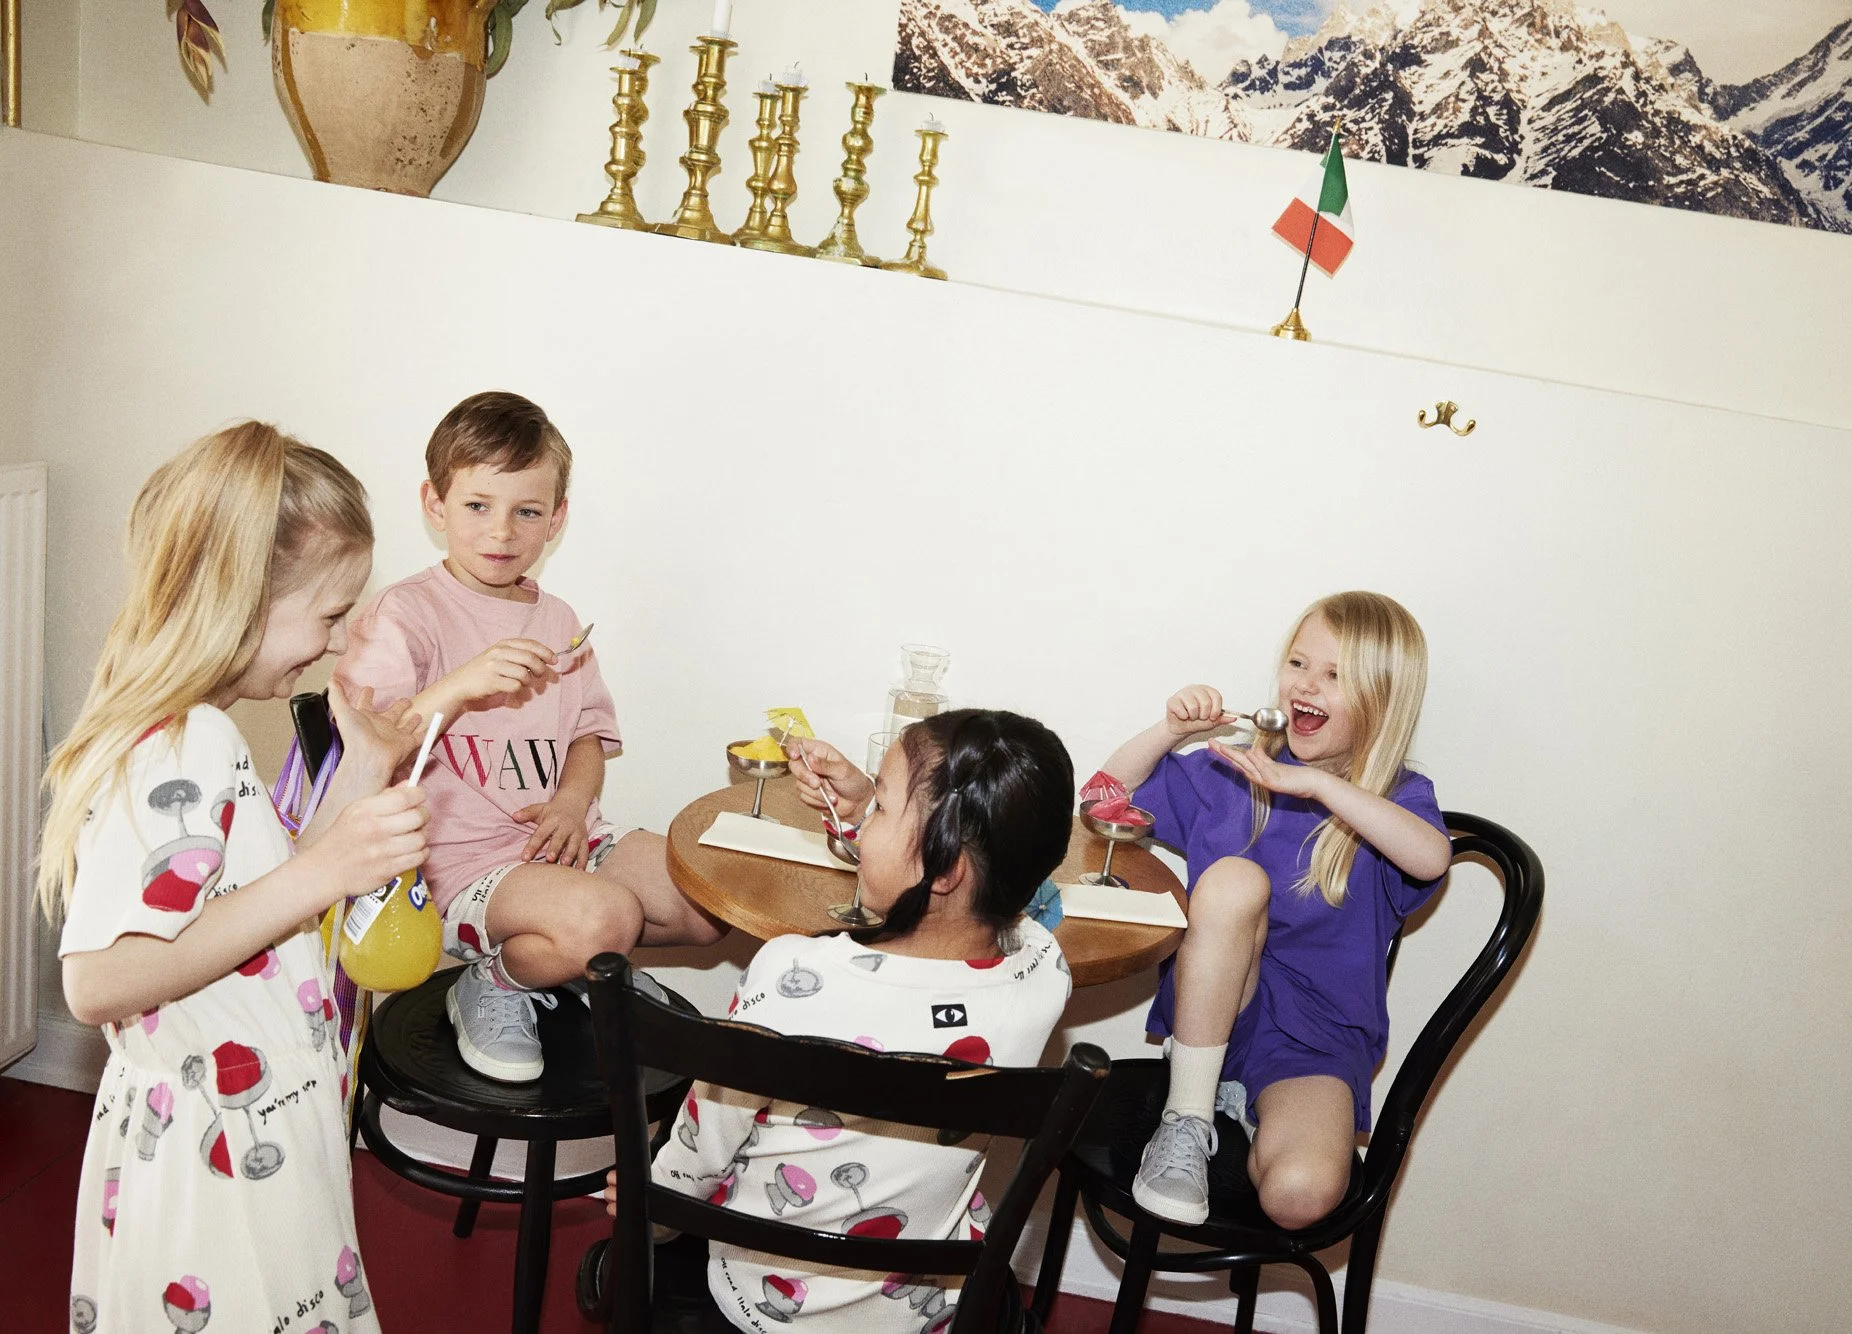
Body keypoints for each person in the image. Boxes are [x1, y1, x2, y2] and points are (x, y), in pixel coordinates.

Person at [39, 423, 430, 1333]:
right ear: (245, 597)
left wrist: (359, 783)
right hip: (219, 1138)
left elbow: (253, 906)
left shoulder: (199, 732)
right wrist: (331, 868)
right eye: (329, 615)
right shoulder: (188, 742)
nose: (334, 646)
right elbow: (100, 978)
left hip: (247, 1114)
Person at [606, 710, 1075, 1332]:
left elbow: (705, 1144)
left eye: (881, 808)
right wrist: (872, 812)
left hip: (762, 1300)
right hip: (916, 1307)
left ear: (943, 869)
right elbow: (1029, 910)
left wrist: (654, 1208)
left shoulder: (789, 974)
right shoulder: (1045, 975)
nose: (865, 822)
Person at [335, 390, 722, 1082]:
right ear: (435, 505)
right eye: (478, 505)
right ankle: (498, 981)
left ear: (556, 520)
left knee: (706, 896)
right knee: (606, 920)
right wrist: (459, 685)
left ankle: (576, 962)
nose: (502, 532)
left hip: (560, 843)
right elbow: (368, 750)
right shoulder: (408, 613)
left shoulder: (559, 617)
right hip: (452, 866)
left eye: (527, 511)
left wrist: (573, 805)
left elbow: (586, 736)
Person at [1097, 591, 1452, 1229]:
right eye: (1297, 663)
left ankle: (1254, 1115)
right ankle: (1190, 1115)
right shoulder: (1236, 770)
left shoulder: (1397, 800)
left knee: (1298, 1198)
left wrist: (1320, 785)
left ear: (1383, 698)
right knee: (1234, 881)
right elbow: (1100, 802)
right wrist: (1170, 731)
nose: (1305, 684)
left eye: (1336, 676)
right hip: (1215, 1012)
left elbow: (1430, 859)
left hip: (1313, 1040)